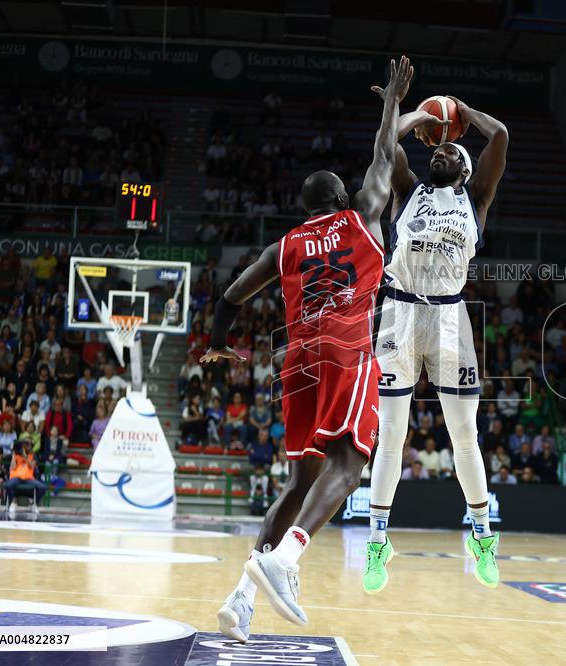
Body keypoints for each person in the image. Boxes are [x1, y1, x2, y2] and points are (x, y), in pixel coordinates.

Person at [203, 56, 413, 640]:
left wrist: (219, 345)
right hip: (347, 347)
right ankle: (287, 558)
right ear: (343, 197)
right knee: (352, 463)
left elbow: (229, 297)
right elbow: (383, 156)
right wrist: (392, 103)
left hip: (297, 361)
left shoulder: (285, 245)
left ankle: (241, 598)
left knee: (299, 483)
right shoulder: (362, 216)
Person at [365, 82, 509, 594]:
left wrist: (463, 110)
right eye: (438, 150)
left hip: (450, 318)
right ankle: (378, 541)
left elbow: (500, 135)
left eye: (452, 151)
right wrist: (410, 114)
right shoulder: (409, 192)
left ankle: (482, 535)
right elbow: (387, 147)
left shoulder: (476, 199)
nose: (442, 152)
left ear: (466, 170)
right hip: (399, 313)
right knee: (390, 435)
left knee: (463, 436)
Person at [5, 440, 45, 515]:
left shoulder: (33, 455)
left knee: (42, 487)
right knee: (7, 485)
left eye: (29, 445)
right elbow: (12, 468)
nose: (27, 446)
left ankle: (34, 504)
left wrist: (25, 456)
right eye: (25, 444)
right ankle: (13, 503)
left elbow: (32, 466)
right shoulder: (16, 454)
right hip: (16, 478)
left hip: (28, 478)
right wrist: (14, 454)